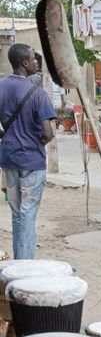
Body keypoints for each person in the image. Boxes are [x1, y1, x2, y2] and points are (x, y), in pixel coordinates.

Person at [0, 44, 56, 259]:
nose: (36, 63)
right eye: (33, 59)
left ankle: (18, 261)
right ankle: (25, 265)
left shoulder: (1, 86)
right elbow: (48, 132)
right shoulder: (37, 93)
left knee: (16, 214)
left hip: (8, 157)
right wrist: (37, 142)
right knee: (28, 213)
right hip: (31, 160)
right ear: (24, 63)